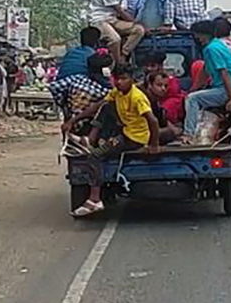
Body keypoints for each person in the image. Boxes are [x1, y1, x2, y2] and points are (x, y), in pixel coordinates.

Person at [64, 65, 161, 217]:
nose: (119, 82)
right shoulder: (117, 92)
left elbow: (153, 121)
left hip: (134, 138)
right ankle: (90, 139)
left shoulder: (137, 97)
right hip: (125, 129)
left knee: (95, 156)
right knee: (105, 106)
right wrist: (74, 119)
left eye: (124, 79)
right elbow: (98, 105)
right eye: (117, 79)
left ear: (132, 80)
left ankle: (95, 199)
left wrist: (154, 144)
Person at [183, 16, 231, 139]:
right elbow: (205, 71)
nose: (197, 38)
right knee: (193, 95)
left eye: (198, 35)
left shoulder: (211, 49)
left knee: (192, 100)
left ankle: (188, 134)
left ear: (204, 34)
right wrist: (194, 88)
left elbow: (225, 73)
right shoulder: (217, 45)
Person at [89, 0, 145, 65]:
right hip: (100, 20)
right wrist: (135, 21)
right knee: (115, 39)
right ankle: (117, 64)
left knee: (139, 30)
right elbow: (119, 10)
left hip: (114, 19)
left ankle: (124, 54)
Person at [49, 51, 114, 120]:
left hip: (72, 119)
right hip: (92, 124)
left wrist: (64, 105)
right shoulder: (106, 90)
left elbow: (54, 86)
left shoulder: (77, 79)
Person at [143, 71, 182, 144]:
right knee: (168, 133)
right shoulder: (143, 99)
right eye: (159, 85)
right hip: (139, 134)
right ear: (150, 85)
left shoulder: (157, 102)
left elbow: (163, 121)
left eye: (166, 86)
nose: (163, 89)